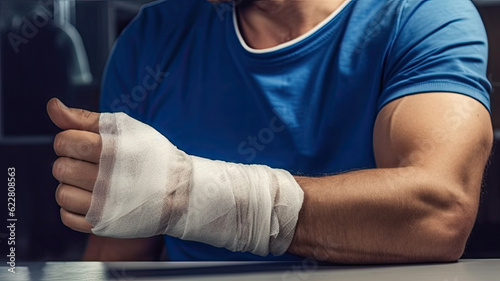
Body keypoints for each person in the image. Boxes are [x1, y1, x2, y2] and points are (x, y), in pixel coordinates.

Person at [46, 0, 493, 263]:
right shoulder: (154, 36)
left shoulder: (421, 16)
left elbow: (438, 212)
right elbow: (122, 242)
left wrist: (184, 195)